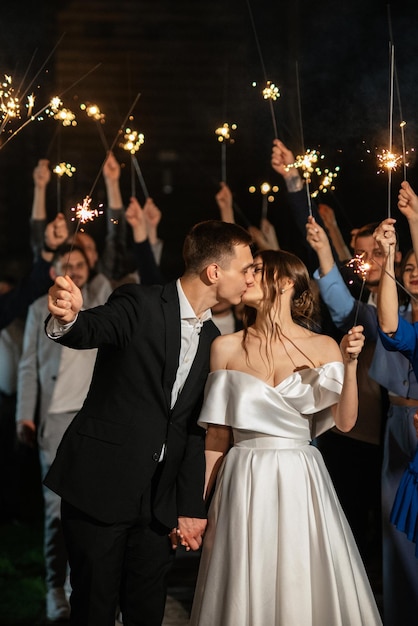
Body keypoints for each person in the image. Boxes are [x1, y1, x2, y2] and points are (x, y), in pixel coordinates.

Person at [43, 219, 254, 626]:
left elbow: (196, 429)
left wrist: (190, 506)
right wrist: (69, 317)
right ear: (214, 272)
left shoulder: (214, 339)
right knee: (94, 609)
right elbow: (92, 327)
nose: (250, 278)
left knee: (146, 612)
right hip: (100, 486)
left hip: (158, 505)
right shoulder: (138, 302)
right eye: (245, 268)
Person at [188, 248, 381, 625]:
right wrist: (201, 505)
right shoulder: (225, 347)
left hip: (299, 475)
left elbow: (344, 422)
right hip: (243, 476)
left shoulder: (324, 346)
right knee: (246, 578)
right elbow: (216, 436)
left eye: (256, 270)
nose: (246, 277)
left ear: (286, 281)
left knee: (300, 573)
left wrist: (350, 363)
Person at [16, 244, 112, 622]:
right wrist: (25, 416)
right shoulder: (39, 306)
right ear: (54, 271)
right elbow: (27, 365)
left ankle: (84, 588)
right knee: (56, 510)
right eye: (66, 265)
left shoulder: (103, 298)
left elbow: (119, 275)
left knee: (94, 510)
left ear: (90, 268)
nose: (73, 270)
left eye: (79, 264)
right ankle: (57, 589)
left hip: (96, 417)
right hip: (55, 419)